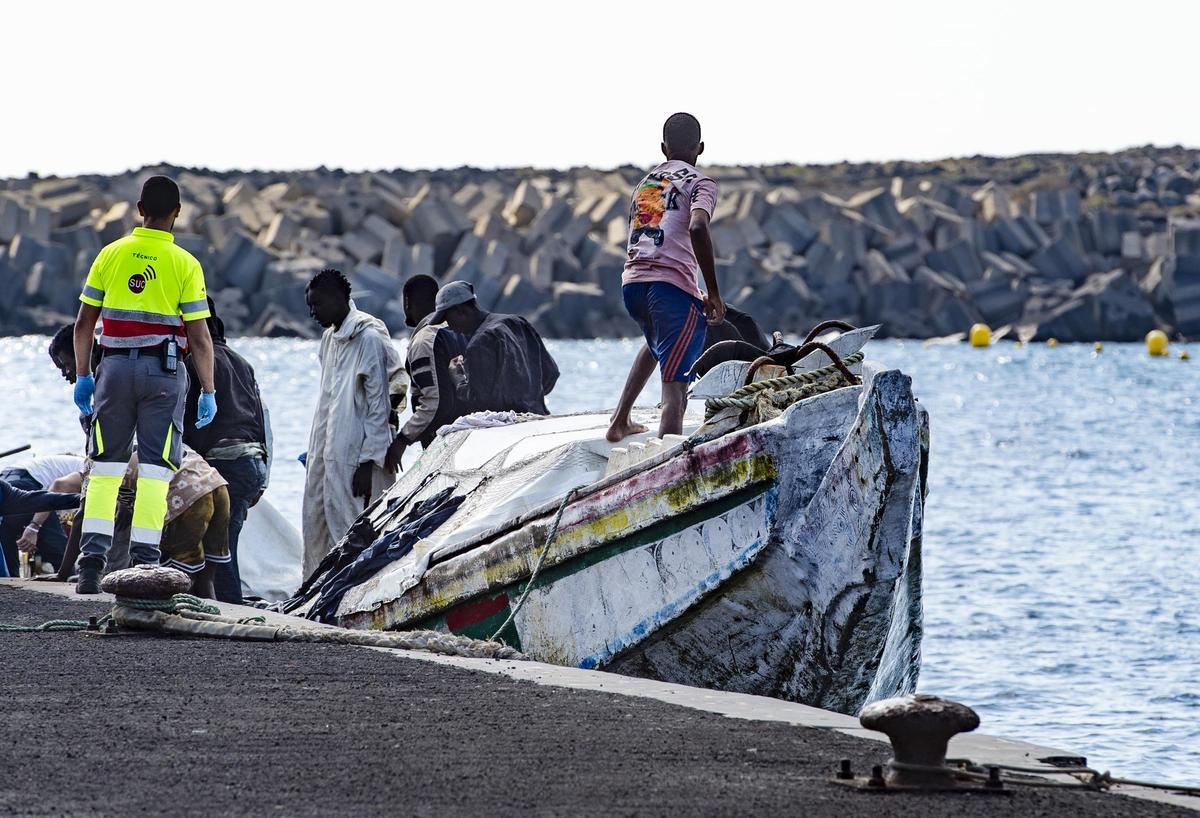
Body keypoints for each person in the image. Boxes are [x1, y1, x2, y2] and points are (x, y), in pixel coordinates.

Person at [71, 175, 218, 595]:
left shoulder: (110, 254)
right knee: (155, 473)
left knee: (104, 469)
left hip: (112, 370)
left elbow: (83, 324)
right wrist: (208, 390)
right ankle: (145, 565)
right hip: (164, 374)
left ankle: (90, 567)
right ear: (177, 213)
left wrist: (84, 376)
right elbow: (201, 336)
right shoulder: (185, 263)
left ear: (138, 209)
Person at [606, 112, 725, 443]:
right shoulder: (701, 182)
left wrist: (692, 288)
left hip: (633, 285)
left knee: (656, 342)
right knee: (675, 392)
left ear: (663, 148)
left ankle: (620, 421)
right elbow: (697, 226)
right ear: (700, 148)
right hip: (666, 289)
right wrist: (713, 293)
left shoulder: (646, 183)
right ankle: (668, 466)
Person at [302, 268, 404, 577]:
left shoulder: (368, 338)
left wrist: (369, 461)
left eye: (316, 304)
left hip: (355, 456)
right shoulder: (329, 339)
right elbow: (328, 401)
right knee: (316, 521)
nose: (312, 312)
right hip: (326, 452)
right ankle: (315, 594)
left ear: (337, 298)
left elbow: (378, 405)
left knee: (353, 528)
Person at [37, 451, 230, 598]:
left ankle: (182, 623)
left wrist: (63, 573)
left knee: (183, 575)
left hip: (185, 492)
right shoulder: (141, 441)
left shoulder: (96, 464)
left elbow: (81, 520)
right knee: (206, 576)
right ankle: (213, 622)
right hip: (215, 482)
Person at [183, 297, 270, 604]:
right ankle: (227, 608)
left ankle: (231, 614)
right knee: (222, 546)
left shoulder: (194, 363)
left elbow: (190, 427)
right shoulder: (242, 362)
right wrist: (265, 472)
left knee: (218, 552)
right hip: (253, 464)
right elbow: (262, 418)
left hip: (226, 465)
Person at [433, 281, 559, 416]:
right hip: (539, 418)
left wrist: (458, 378)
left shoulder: (479, 343)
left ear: (460, 311)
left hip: (509, 428)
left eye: (448, 319)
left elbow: (479, 402)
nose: (450, 327)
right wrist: (529, 399)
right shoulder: (517, 322)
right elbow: (551, 374)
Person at [384, 275, 466, 472]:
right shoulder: (455, 330)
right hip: (468, 434)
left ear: (407, 302)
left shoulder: (425, 339)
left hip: (444, 442)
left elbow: (434, 401)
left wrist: (402, 441)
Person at [1, 455, 85, 574]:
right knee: (62, 556)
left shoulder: (61, 465)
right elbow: (59, 486)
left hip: (5, 484)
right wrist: (34, 526)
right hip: (23, 486)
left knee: (8, 568)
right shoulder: (89, 469)